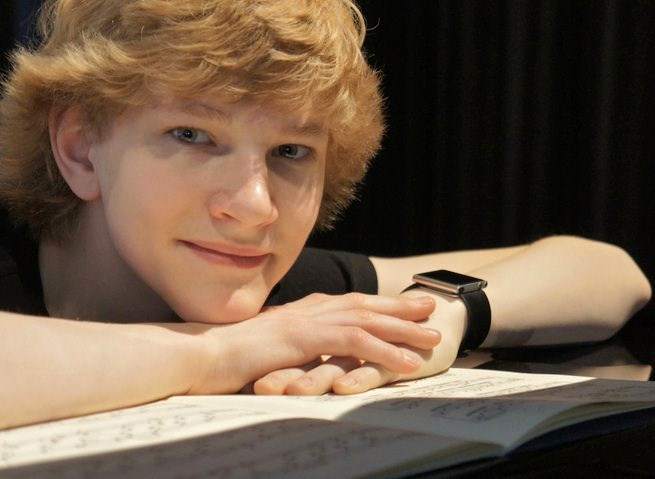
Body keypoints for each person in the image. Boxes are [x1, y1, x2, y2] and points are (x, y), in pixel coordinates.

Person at [0, 0, 650, 431]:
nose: (255, 208)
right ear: (79, 148)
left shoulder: (278, 294)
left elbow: (608, 272)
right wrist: (221, 352)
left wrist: (442, 315)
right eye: (191, 135)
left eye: (290, 151)